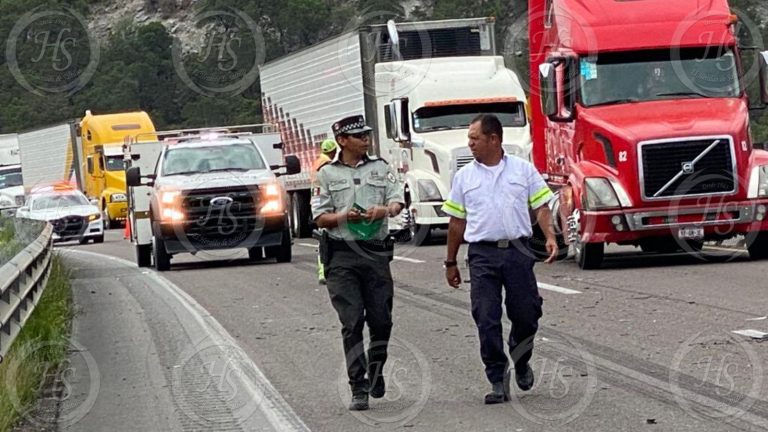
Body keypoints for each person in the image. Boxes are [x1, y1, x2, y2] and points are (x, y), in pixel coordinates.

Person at [441, 114, 558, 404]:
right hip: (482, 254)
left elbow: (541, 207)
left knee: (527, 314)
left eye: (474, 138)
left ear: (494, 139)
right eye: (469, 138)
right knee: (485, 316)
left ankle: (521, 358)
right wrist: (450, 261)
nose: (470, 144)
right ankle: (496, 376)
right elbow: (457, 222)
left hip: (518, 252)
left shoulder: (523, 170)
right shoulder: (464, 177)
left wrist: (551, 236)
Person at [311, 114, 404, 411]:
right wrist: (343, 216)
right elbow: (319, 217)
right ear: (342, 141)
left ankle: (376, 367)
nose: (365, 139)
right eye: (358, 136)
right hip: (342, 254)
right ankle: (358, 385)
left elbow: (397, 200)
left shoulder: (381, 168)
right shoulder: (326, 174)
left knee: (381, 321)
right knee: (351, 322)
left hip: (375, 252)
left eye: (366, 134)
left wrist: (385, 210)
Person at [312, 138, 339, 284]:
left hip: (316, 201)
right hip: (324, 202)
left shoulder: (318, 161)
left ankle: (323, 270)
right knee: (325, 239)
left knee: (323, 237)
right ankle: (324, 271)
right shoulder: (327, 165)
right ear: (333, 151)